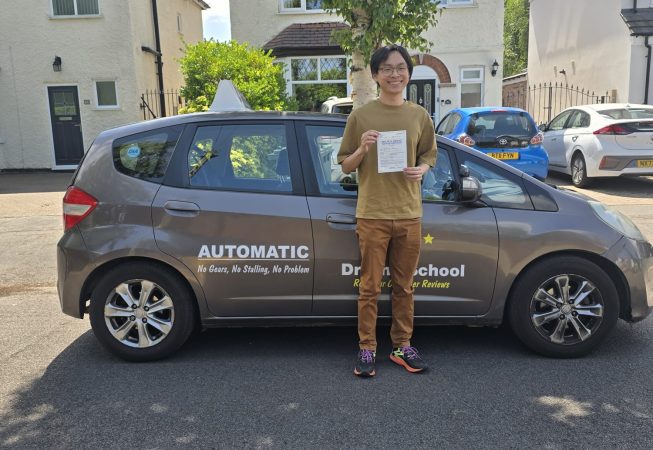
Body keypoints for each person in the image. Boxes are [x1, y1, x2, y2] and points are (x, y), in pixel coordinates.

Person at [338, 44, 437, 377]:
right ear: (376, 75)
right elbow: (345, 166)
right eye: (388, 69)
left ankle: (401, 346)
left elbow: (429, 156)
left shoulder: (420, 116)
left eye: (401, 68)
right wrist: (363, 147)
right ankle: (367, 349)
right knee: (368, 287)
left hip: (409, 213)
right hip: (373, 214)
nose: (395, 74)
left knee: (404, 287)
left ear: (408, 73)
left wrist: (421, 171)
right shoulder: (361, 116)